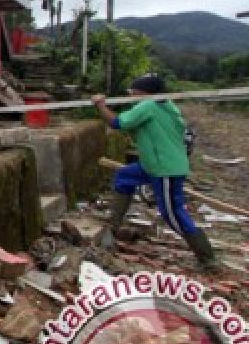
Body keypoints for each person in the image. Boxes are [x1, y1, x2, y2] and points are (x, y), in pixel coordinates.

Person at [91, 74, 217, 270]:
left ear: (143, 92)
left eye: (133, 92)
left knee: (172, 214)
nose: (131, 95)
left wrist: (99, 104)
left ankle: (207, 259)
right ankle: (111, 229)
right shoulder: (166, 106)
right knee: (124, 177)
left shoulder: (148, 106)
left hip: (164, 169)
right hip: (153, 165)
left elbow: (117, 123)